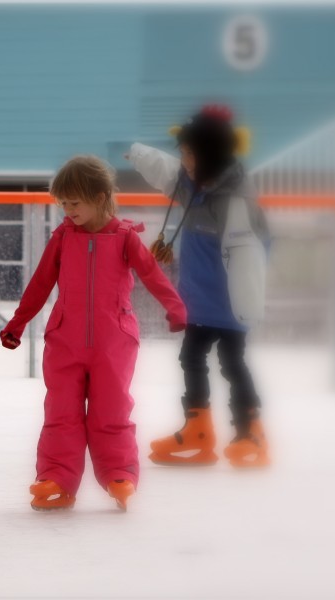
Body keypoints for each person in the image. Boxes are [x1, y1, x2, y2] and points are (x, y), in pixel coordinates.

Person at [0, 156, 187, 510]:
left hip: (113, 344)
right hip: (64, 341)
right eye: (63, 204)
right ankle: (55, 478)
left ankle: (119, 474)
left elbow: (153, 276)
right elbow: (41, 284)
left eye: (75, 203)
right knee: (61, 414)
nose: (68, 211)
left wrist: (175, 308)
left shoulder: (124, 238)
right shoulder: (63, 238)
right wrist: (17, 323)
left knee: (111, 412)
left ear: (100, 197)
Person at [126, 104, 271, 467]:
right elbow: (164, 170)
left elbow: (255, 249)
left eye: (189, 153)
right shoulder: (190, 183)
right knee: (191, 358)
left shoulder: (235, 197)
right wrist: (136, 152)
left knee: (232, 363)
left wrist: (249, 299)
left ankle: (251, 430)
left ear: (208, 155)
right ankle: (199, 429)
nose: (184, 160)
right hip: (198, 299)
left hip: (230, 302)